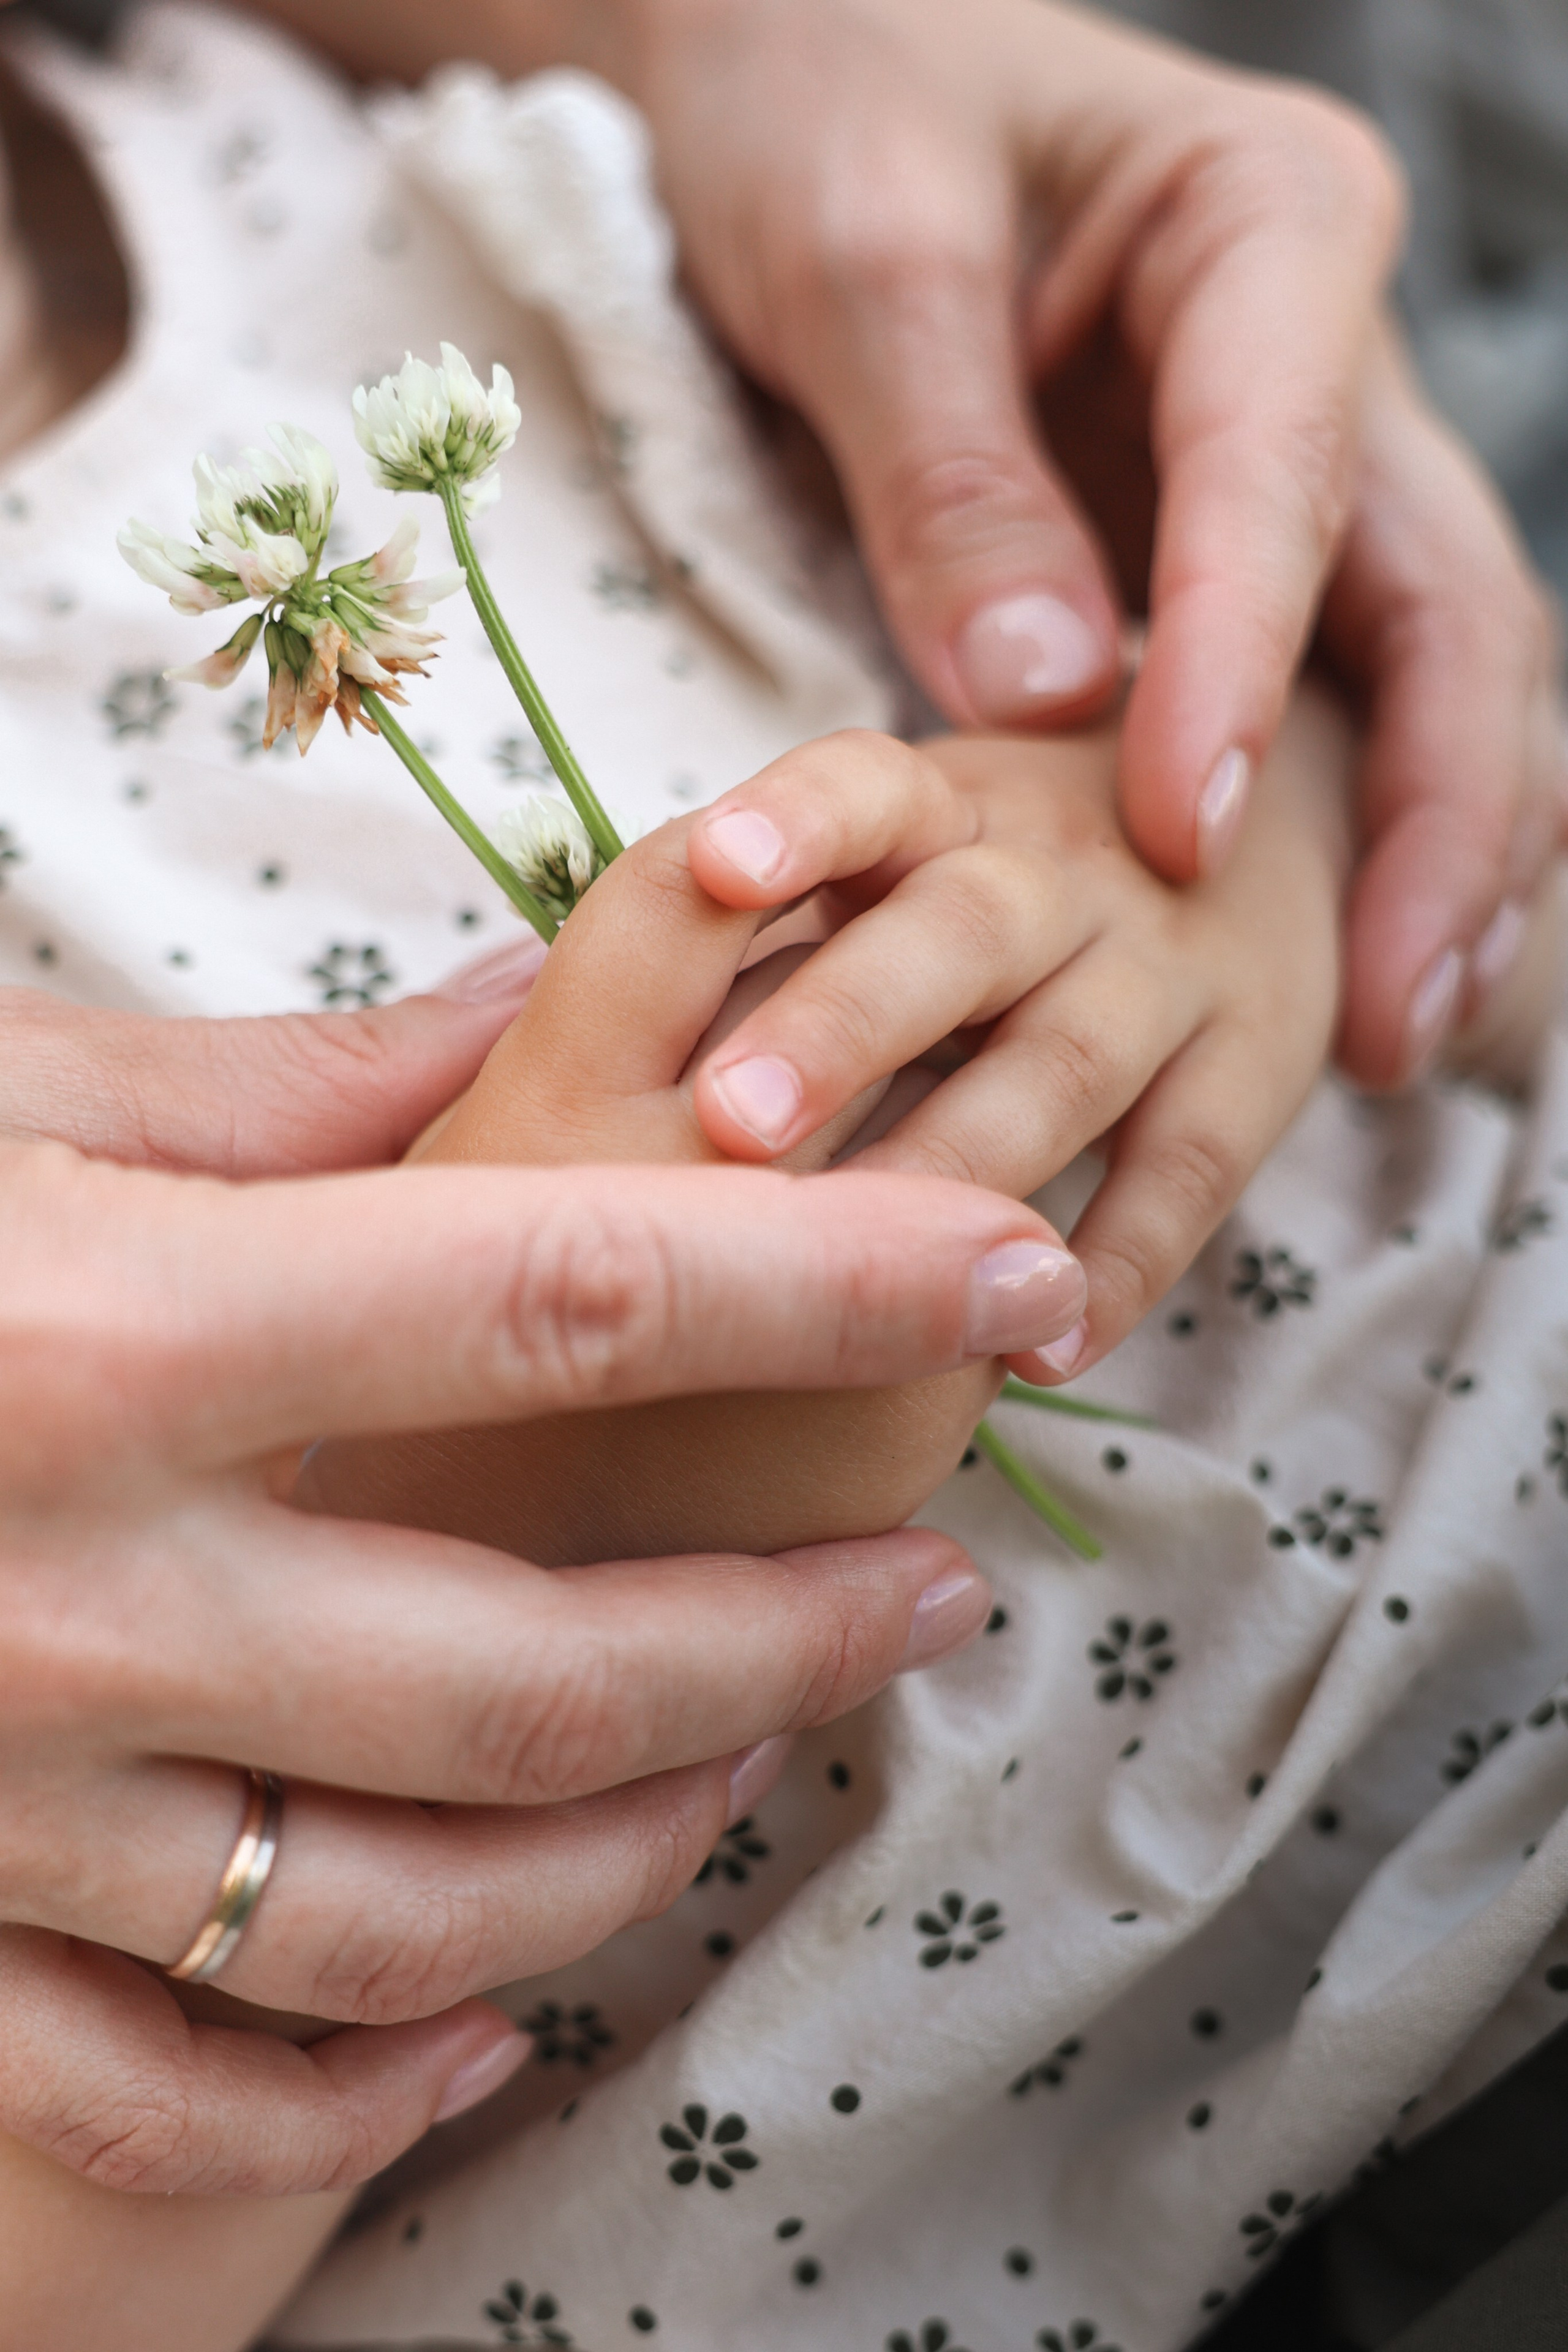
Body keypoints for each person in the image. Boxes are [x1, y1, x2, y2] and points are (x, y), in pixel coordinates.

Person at [0, 4, 1560, 2349]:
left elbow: (1434, 839)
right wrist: (548, 1510)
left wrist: (1194, 840)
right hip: (1218, 2184)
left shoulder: (379, 171)